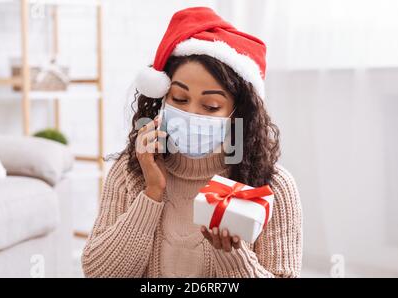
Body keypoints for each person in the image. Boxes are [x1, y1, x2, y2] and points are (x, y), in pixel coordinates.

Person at [82, 6, 302, 278]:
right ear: (163, 96)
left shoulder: (272, 185)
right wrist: (152, 192)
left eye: (210, 106)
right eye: (179, 99)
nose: (191, 114)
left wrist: (231, 255)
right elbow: (98, 273)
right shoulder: (132, 172)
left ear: (238, 114)